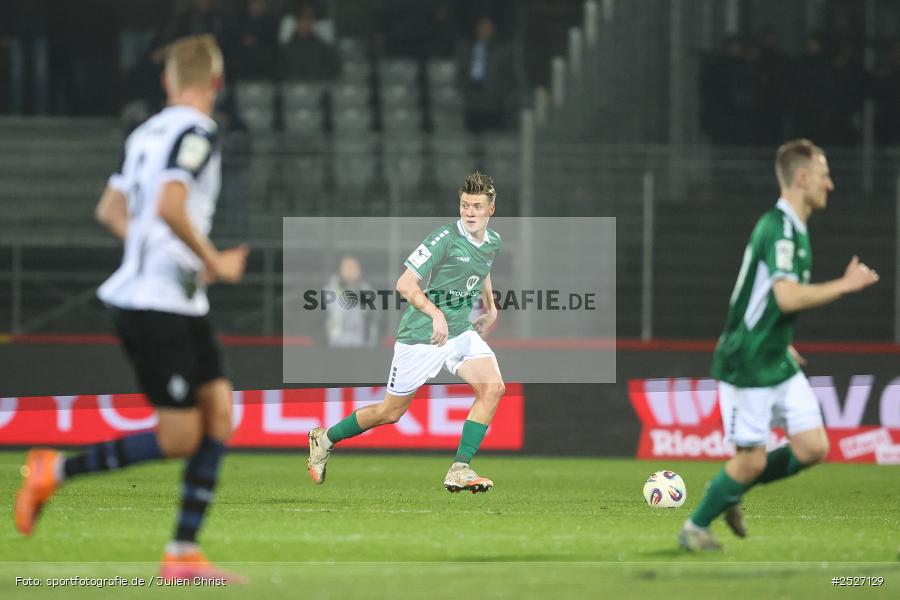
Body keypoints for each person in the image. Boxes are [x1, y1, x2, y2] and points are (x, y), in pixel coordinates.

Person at [13, 34, 249, 582]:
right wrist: (215, 261)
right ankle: (55, 469)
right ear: (216, 82)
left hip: (175, 301)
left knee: (219, 413)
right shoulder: (198, 131)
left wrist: (150, 252)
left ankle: (183, 555)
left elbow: (111, 208)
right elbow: (168, 205)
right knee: (180, 438)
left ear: (168, 81)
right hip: (155, 306)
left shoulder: (146, 132)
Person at [679, 139, 880, 551]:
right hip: (748, 360)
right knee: (751, 460)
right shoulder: (781, 227)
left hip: (774, 355)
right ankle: (696, 526)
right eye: (825, 176)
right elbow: (787, 296)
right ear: (802, 178)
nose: (831, 185)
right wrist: (845, 285)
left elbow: (765, 301)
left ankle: (732, 490)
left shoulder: (794, 229)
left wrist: (781, 341)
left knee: (813, 447)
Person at [308, 171, 505, 493]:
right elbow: (404, 284)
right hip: (422, 334)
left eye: (477, 206)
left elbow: (483, 268)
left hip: (459, 332)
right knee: (390, 412)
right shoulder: (443, 239)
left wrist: (490, 308)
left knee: (493, 388)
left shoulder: (493, 241)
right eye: (465, 205)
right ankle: (325, 438)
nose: (470, 212)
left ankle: (460, 468)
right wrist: (434, 313)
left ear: (490, 210)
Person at [324, 255, 380, 348]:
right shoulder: (328, 292)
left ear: (360, 270)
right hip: (334, 345)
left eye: (353, 267)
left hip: (361, 345)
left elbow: (374, 320)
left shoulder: (368, 293)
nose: (350, 271)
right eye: (347, 267)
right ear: (340, 270)